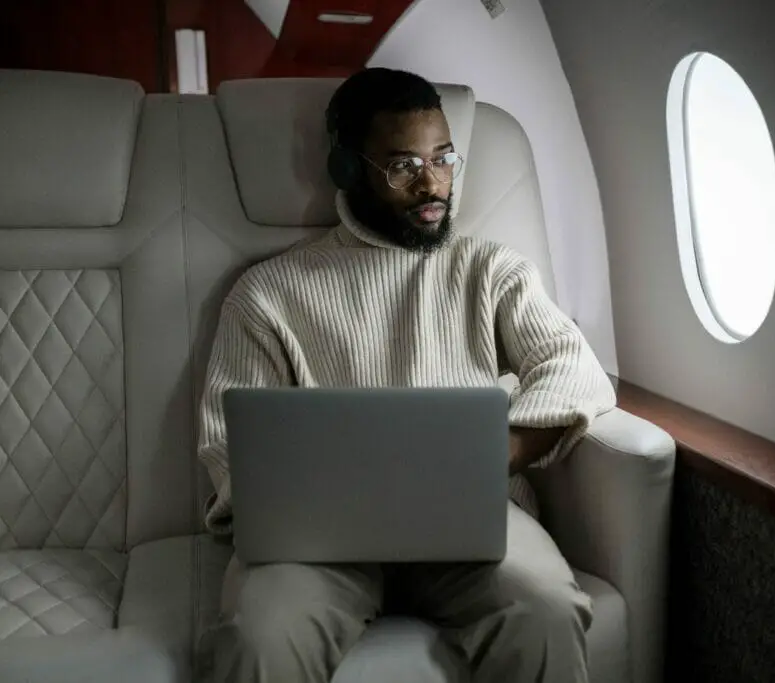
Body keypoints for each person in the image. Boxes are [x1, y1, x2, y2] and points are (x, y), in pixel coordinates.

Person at [196, 67, 617, 683]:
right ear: (348, 171)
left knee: (547, 612)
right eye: (403, 167)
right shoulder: (268, 293)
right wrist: (303, 500)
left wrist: (493, 455)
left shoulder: (491, 270)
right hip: (319, 543)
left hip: (473, 523)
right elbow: (227, 446)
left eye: (443, 159)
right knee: (262, 639)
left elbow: (574, 369)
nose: (433, 185)